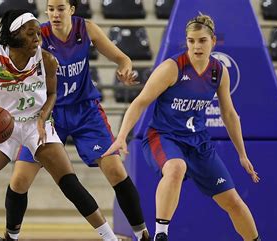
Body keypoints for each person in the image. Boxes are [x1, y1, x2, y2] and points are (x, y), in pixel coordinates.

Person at [0, 9, 119, 241]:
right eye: (31, 34)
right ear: (15, 35)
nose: (37, 39)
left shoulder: (47, 60)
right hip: (4, 127)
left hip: (36, 125)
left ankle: (110, 238)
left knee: (70, 184)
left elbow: (52, 94)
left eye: (38, 35)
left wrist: (43, 118)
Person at [102, 13, 261, 241]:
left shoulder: (218, 71)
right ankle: (161, 235)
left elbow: (229, 114)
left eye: (202, 40)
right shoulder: (172, 68)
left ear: (213, 42)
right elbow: (140, 102)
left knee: (233, 201)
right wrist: (121, 136)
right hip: (163, 136)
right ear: (186, 42)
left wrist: (242, 154)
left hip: (198, 142)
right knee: (176, 168)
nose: (196, 46)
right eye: (191, 41)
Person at [2, 0, 150, 240]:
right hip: (48, 115)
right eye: (51, 9)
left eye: (60, 8)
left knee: (115, 170)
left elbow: (122, 59)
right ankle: (11, 236)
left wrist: (125, 69)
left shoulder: (87, 29)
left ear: (72, 10)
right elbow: (13, 69)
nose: (55, 14)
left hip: (85, 111)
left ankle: (142, 234)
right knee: (19, 179)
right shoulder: (37, 35)